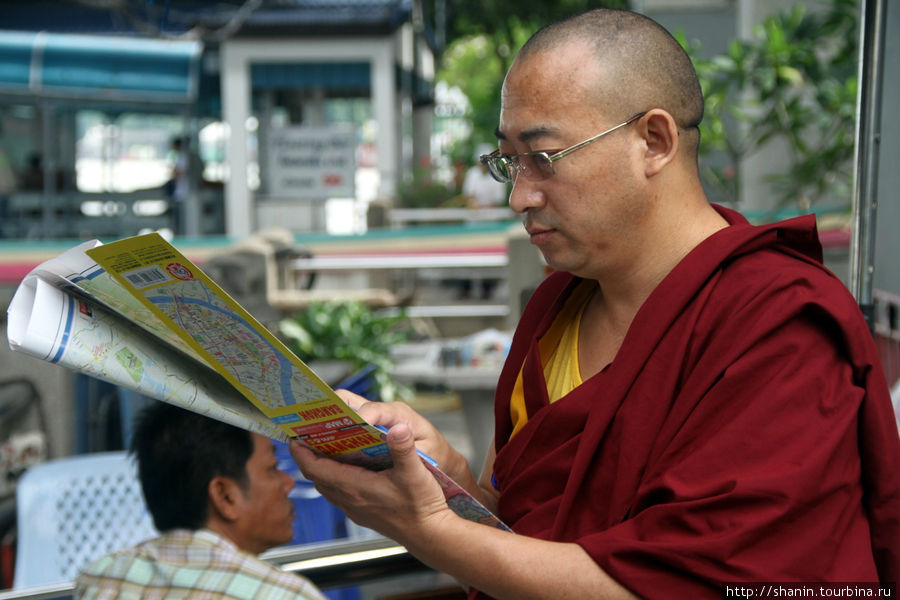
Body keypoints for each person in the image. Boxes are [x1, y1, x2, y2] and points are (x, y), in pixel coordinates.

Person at [290, 8, 900, 600]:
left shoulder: (777, 321)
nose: (519, 197)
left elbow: (699, 584)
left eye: (545, 158)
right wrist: (445, 477)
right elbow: (521, 530)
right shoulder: (560, 304)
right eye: (508, 162)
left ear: (653, 141)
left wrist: (426, 527)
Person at [76, 402, 327, 600]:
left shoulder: (104, 577)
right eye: (273, 468)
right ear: (224, 496)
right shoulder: (285, 595)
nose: (288, 483)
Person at [460, 144, 507, 209]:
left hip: (493, 216)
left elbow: (498, 201)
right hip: (473, 215)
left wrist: (482, 208)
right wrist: (472, 203)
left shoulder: (499, 175)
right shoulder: (472, 173)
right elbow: (468, 195)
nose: (482, 165)